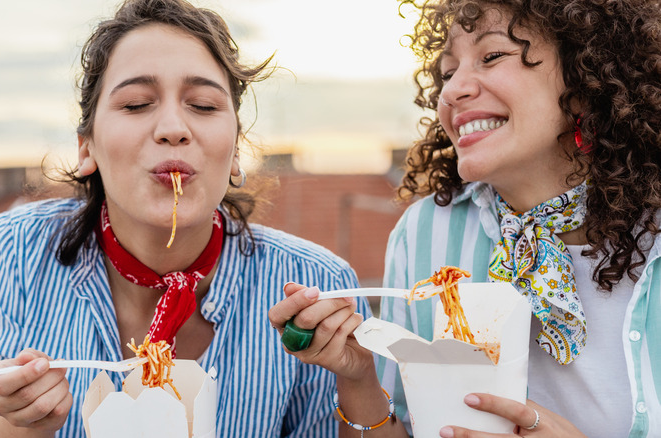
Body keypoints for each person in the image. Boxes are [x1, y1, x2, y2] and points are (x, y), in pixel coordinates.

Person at [0, 0, 372, 436]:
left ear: (237, 149)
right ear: (86, 147)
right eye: (135, 104)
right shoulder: (18, 250)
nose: (173, 127)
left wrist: (358, 379)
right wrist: (22, 426)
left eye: (203, 105)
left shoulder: (316, 281)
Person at [269, 0, 661, 436]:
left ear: (586, 78)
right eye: (447, 72)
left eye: (492, 56)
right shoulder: (424, 232)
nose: (452, 91)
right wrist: (357, 376)